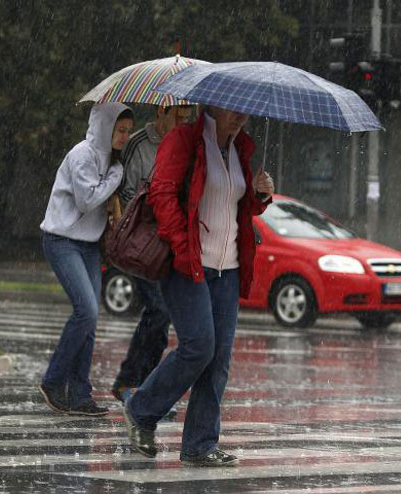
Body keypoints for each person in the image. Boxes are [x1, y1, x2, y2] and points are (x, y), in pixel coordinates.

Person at [123, 106, 274, 466]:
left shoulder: (239, 149)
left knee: (218, 358)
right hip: (188, 263)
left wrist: (259, 196)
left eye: (245, 112)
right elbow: (162, 195)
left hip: (228, 268)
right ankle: (142, 409)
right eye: (233, 109)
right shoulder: (184, 140)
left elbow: (238, 208)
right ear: (214, 105)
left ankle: (200, 444)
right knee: (199, 346)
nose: (240, 116)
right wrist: (182, 246)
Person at [39, 102, 134, 416]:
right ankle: (53, 381)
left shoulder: (112, 160)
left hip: (90, 245)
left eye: (128, 131)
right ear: (105, 127)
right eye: (120, 130)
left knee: (91, 319)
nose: (124, 137)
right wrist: (115, 177)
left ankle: (80, 394)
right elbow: (87, 199)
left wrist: (115, 174)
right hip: (62, 240)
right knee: (86, 311)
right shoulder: (82, 154)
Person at [111, 105, 193, 408]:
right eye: (178, 117)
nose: (182, 123)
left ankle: (144, 386)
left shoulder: (186, 146)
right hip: (141, 241)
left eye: (187, 119)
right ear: (162, 112)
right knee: (159, 309)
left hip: (168, 241)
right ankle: (131, 381)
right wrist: (154, 205)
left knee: (163, 315)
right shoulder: (139, 145)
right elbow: (123, 192)